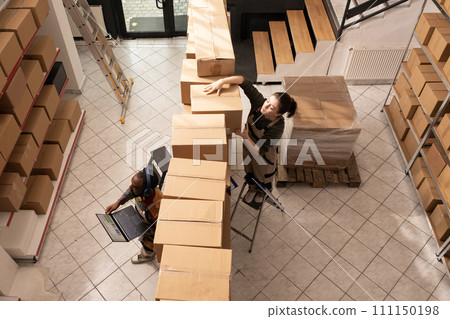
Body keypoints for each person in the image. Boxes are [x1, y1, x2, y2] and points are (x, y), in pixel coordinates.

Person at [204, 75, 297, 207]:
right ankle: (252, 189)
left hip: (262, 156)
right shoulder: (259, 103)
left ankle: (261, 193)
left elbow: (259, 150)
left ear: (277, 114)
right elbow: (244, 81)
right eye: (268, 101)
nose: (266, 106)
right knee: (249, 170)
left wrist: (246, 137)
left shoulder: (277, 127)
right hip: (248, 147)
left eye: (272, 107)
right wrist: (222, 81)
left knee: (262, 177)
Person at [105, 168, 163, 263]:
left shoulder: (157, 208)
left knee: (147, 244)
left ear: (146, 191)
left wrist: (142, 231)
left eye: (135, 187)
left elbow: (159, 231)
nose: (131, 188)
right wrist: (118, 203)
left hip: (151, 231)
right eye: (132, 184)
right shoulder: (141, 191)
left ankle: (148, 255)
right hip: (141, 220)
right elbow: (131, 192)